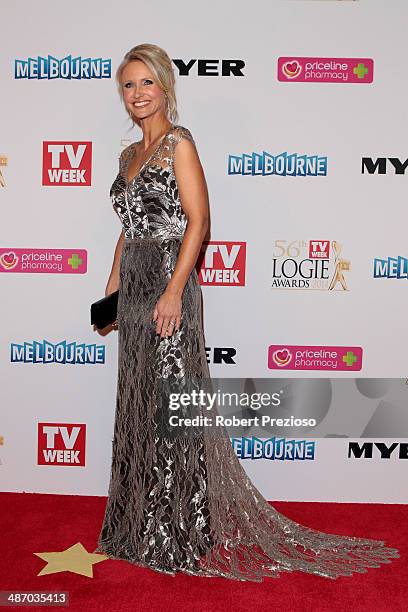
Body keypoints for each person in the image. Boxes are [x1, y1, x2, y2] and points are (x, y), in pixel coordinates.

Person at [94, 43, 399, 581]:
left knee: (172, 405)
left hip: (170, 281)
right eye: (128, 85)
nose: (137, 94)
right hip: (136, 283)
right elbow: (129, 226)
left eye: (146, 83)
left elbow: (199, 221)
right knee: (138, 400)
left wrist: (173, 290)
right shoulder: (127, 157)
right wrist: (113, 285)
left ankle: (179, 531)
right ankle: (135, 526)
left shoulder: (179, 145)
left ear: (165, 86)